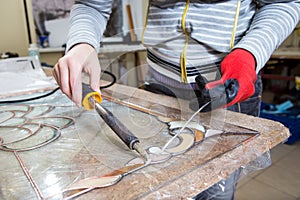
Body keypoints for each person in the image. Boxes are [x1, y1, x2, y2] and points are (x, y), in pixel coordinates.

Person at [53, 0, 300, 199]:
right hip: (159, 92)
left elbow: (285, 3)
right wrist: (82, 43)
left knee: (214, 189)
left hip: (227, 88)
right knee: (159, 182)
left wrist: (250, 54)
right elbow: (93, 4)